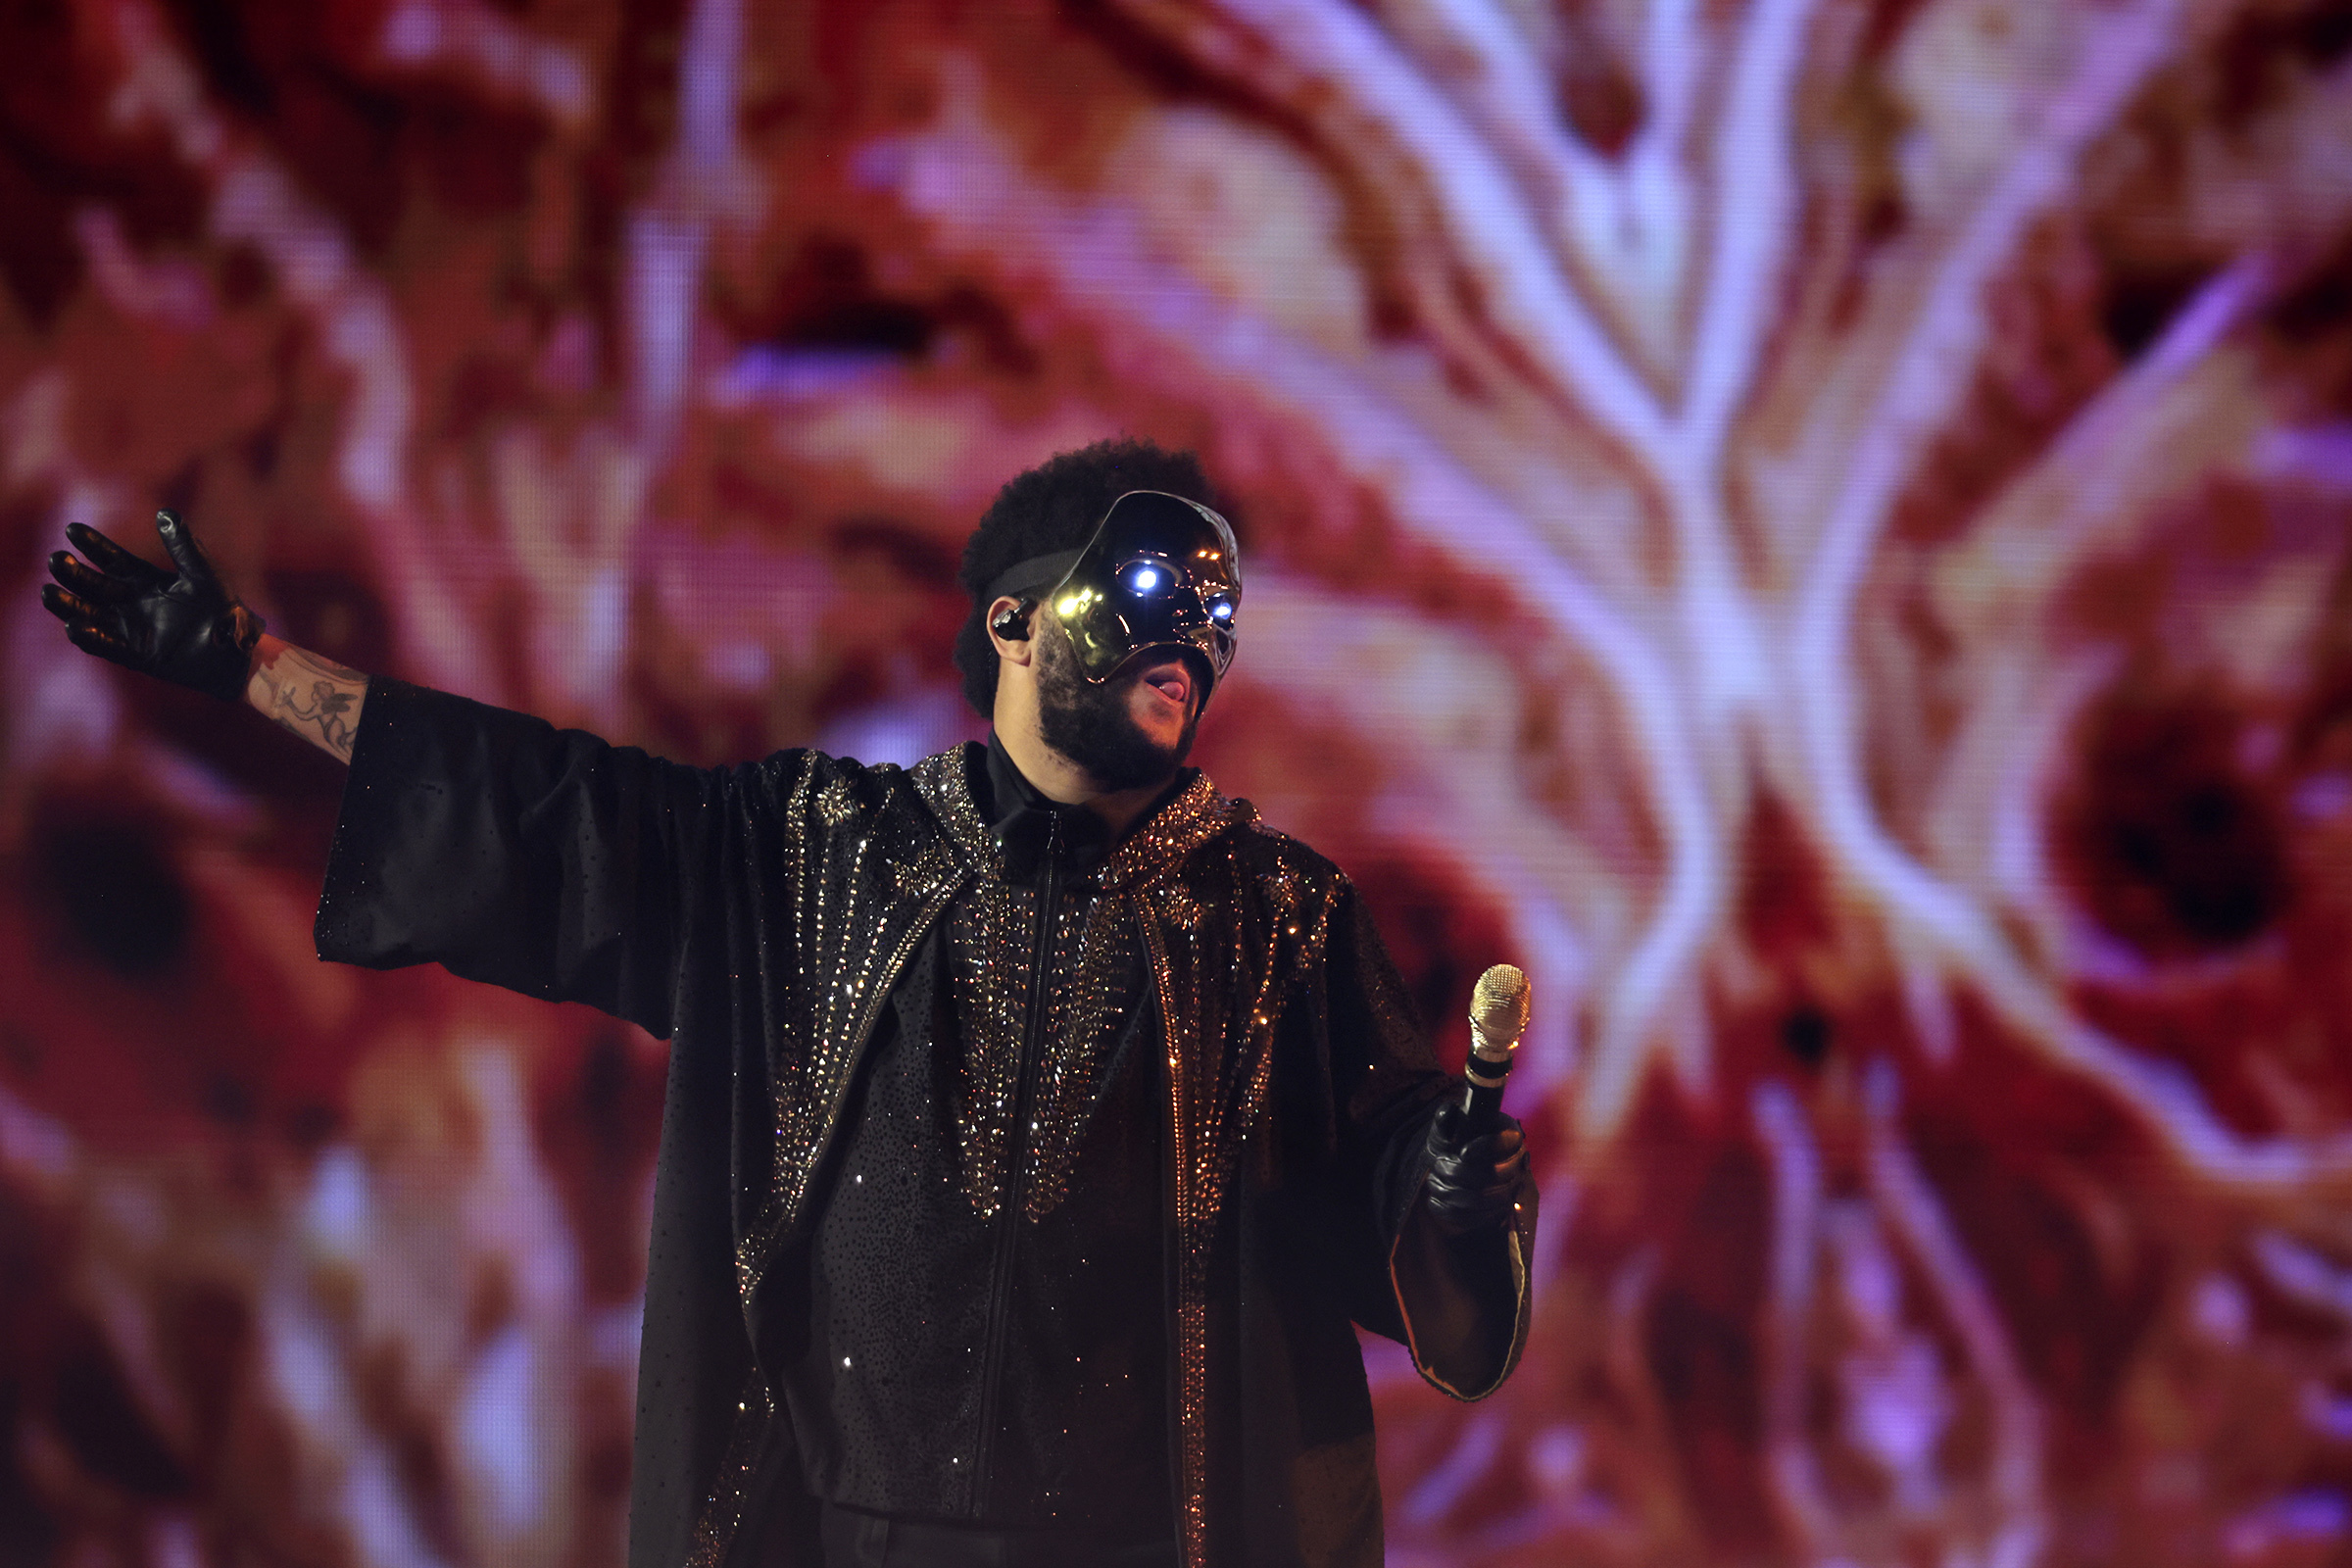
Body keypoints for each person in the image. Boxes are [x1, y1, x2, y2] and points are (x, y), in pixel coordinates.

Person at [41, 439, 1536, 1568]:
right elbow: (543, 809)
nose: (1193, 633)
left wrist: (1456, 1190)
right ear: (1015, 622)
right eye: (1155, 587)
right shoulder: (816, 856)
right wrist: (253, 670)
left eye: (1218, 612)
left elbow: (1398, 1197)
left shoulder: (1272, 920)